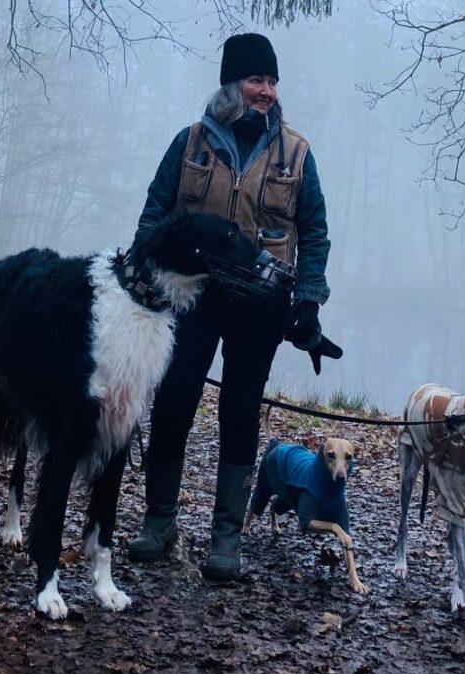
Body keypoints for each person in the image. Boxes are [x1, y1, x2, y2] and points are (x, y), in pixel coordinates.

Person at [127, 33, 334, 581]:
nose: (265, 90)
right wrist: (144, 276)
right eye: (255, 80)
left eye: (271, 81)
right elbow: (154, 215)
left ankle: (226, 539)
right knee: (173, 402)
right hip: (191, 294)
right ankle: (159, 522)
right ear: (231, 84)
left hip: (261, 304)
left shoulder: (296, 151)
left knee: (240, 412)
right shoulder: (190, 144)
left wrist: (308, 301)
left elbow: (314, 232)